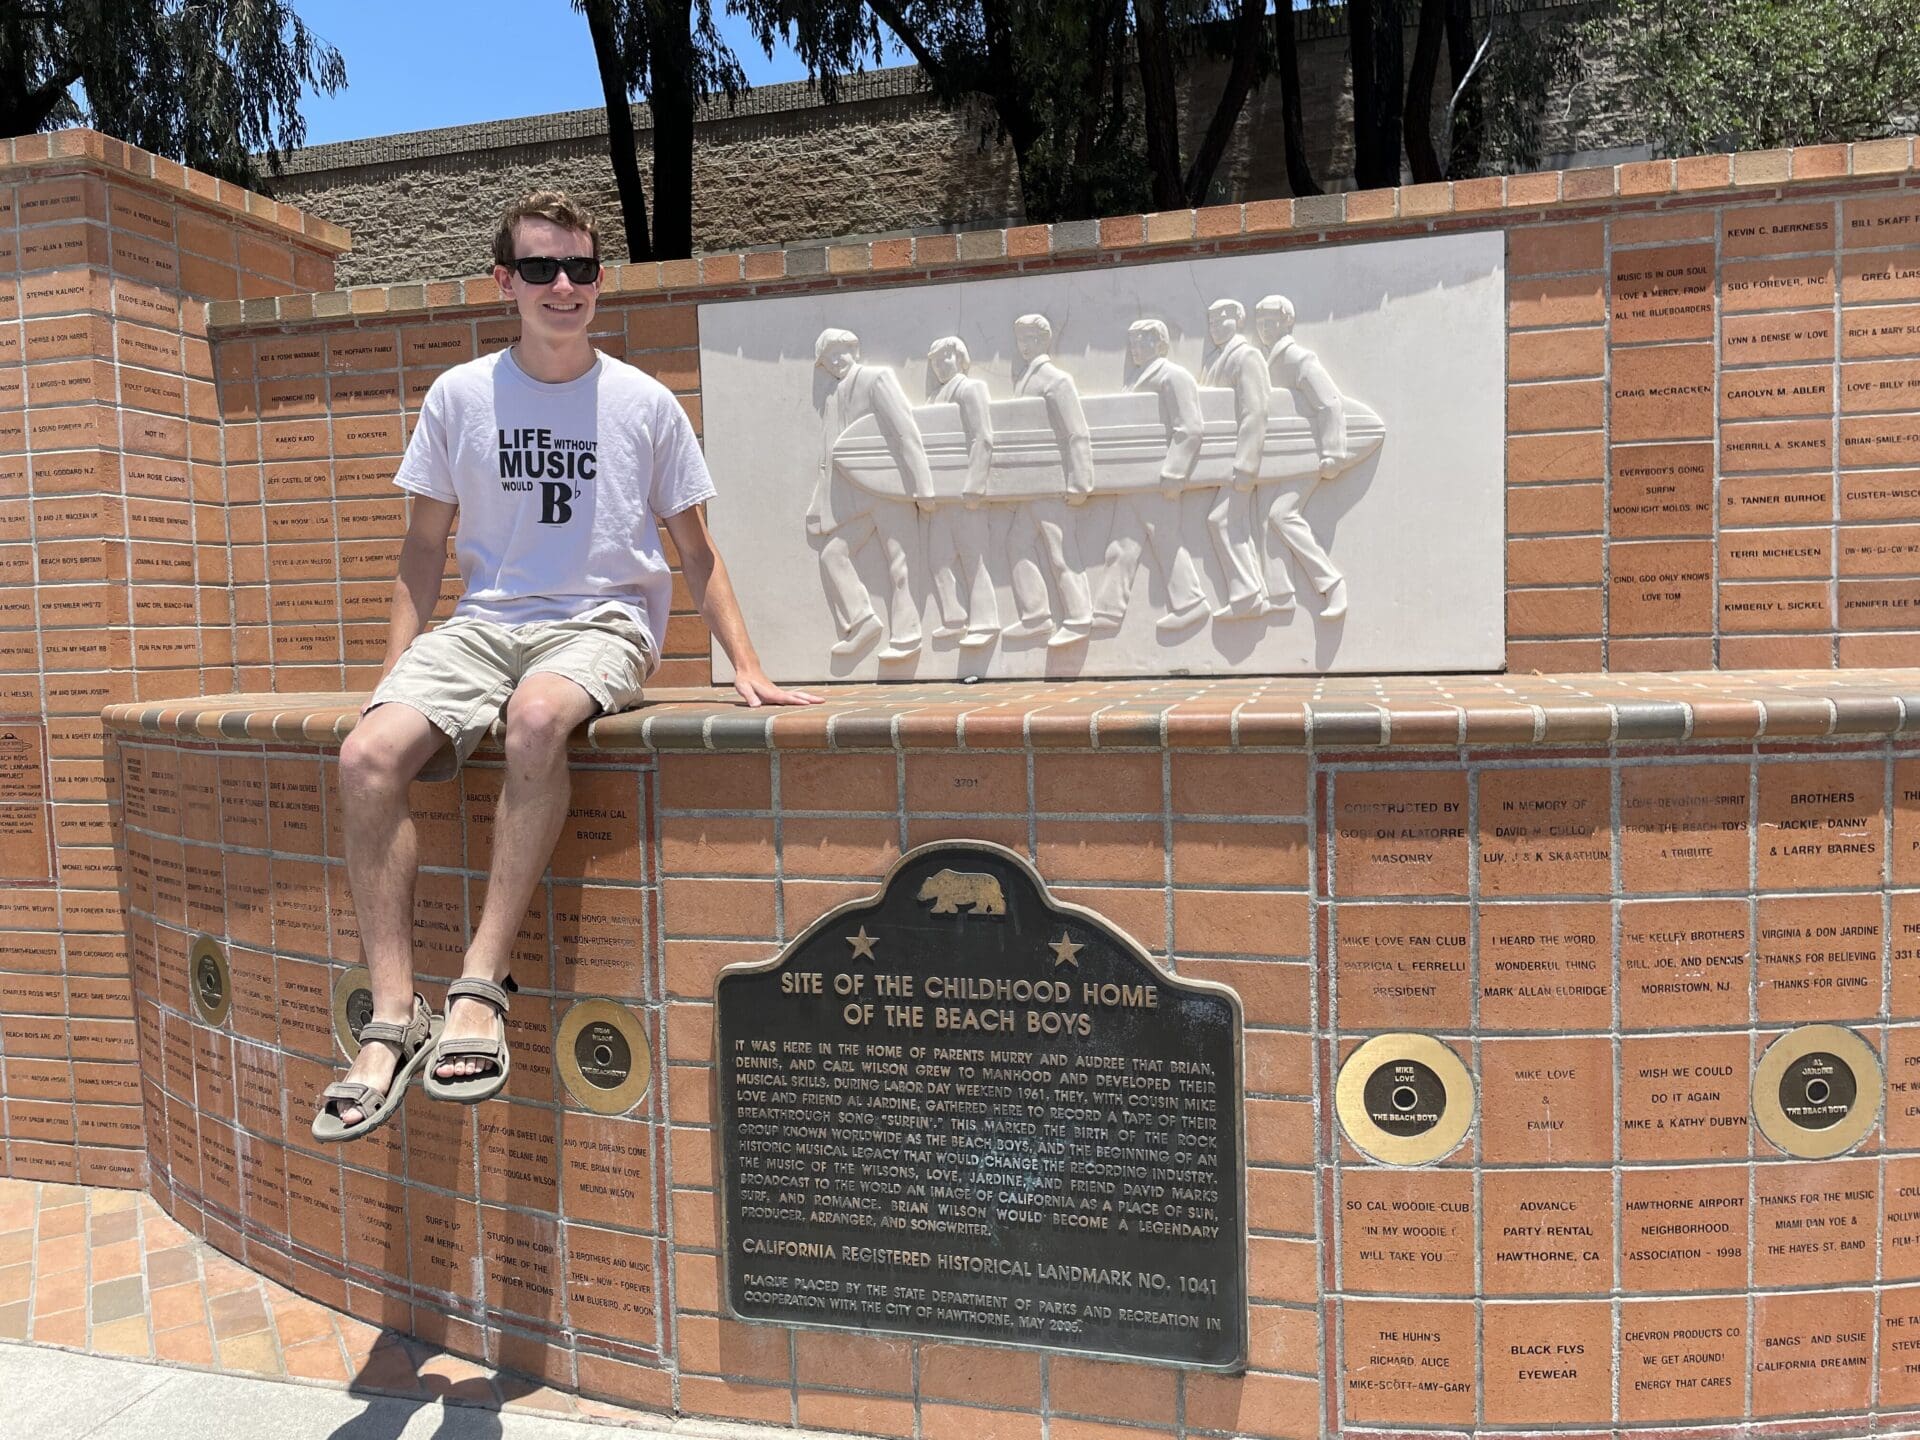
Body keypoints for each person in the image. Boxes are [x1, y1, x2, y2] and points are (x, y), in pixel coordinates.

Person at [314, 191, 819, 1142]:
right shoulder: (460, 397)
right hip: (484, 623)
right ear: (503, 282)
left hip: (601, 622)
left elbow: (695, 550)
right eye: (542, 268)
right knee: (365, 757)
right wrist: (394, 675)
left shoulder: (644, 403)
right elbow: (422, 549)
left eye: (581, 269)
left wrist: (745, 665)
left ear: (598, 280)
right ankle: (394, 1013)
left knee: (539, 717)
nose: (563, 286)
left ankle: (479, 985)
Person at [809, 328, 934, 661]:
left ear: (855, 350)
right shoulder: (833, 396)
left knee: (901, 563)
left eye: (839, 351)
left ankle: (907, 637)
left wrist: (923, 487)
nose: (835, 361)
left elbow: (906, 431)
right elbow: (829, 458)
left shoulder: (877, 379)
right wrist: (818, 506)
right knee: (832, 555)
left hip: (893, 489)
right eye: (828, 358)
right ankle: (863, 621)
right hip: (857, 496)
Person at [1097, 319, 1209, 634]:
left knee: (1165, 539)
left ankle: (1191, 603)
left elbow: (1190, 427)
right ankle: (1107, 612)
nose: (1134, 347)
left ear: (1160, 343)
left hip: (1159, 478)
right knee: (1122, 546)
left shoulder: (1173, 376)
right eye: (1132, 341)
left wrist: (1174, 471)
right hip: (1135, 477)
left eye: (1142, 341)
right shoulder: (1135, 379)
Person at [1253, 294, 1347, 619]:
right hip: (1274, 456)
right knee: (1264, 520)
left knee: (1281, 515)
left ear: (1287, 322)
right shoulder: (1262, 360)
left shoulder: (1298, 358)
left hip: (1306, 455)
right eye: (1260, 322)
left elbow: (1330, 403)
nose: (1264, 328)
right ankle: (1279, 595)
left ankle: (1332, 583)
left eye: (1271, 322)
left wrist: (1333, 453)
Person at [1008, 314, 1095, 647]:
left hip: (1053, 483)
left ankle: (1078, 617)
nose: (1024, 345)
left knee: (1060, 551)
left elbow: (1077, 432)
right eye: (1020, 339)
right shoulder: (1025, 379)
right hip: (1031, 482)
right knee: (1016, 545)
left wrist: (1080, 480)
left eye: (1030, 338)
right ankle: (1036, 616)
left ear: (1045, 340)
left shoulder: (1055, 380)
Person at [1197, 300, 1273, 619]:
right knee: (1227, 521)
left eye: (1221, 320)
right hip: (1219, 460)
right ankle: (1252, 595)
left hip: (1240, 461)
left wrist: (1246, 464)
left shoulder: (1246, 356)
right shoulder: (1214, 360)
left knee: (1223, 520)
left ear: (1239, 321)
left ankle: (1248, 595)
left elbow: (1255, 411)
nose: (1214, 326)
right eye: (1211, 321)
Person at [924, 336, 1000, 645]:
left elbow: (983, 436)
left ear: (959, 358)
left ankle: (986, 623)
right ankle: (954, 617)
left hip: (966, 493)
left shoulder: (970, 389)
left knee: (973, 557)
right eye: (934, 361)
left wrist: (975, 485)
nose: (940, 366)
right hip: (941, 492)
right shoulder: (934, 397)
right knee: (938, 557)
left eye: (945, 358)